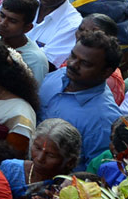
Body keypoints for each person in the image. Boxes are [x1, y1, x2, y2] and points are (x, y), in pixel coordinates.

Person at [38, 30, 123, 167]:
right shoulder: (56, 77)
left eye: (85, 63)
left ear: (107, 71)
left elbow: (95, 171)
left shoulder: (104, 120)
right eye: (73, 56)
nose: (72, 64)